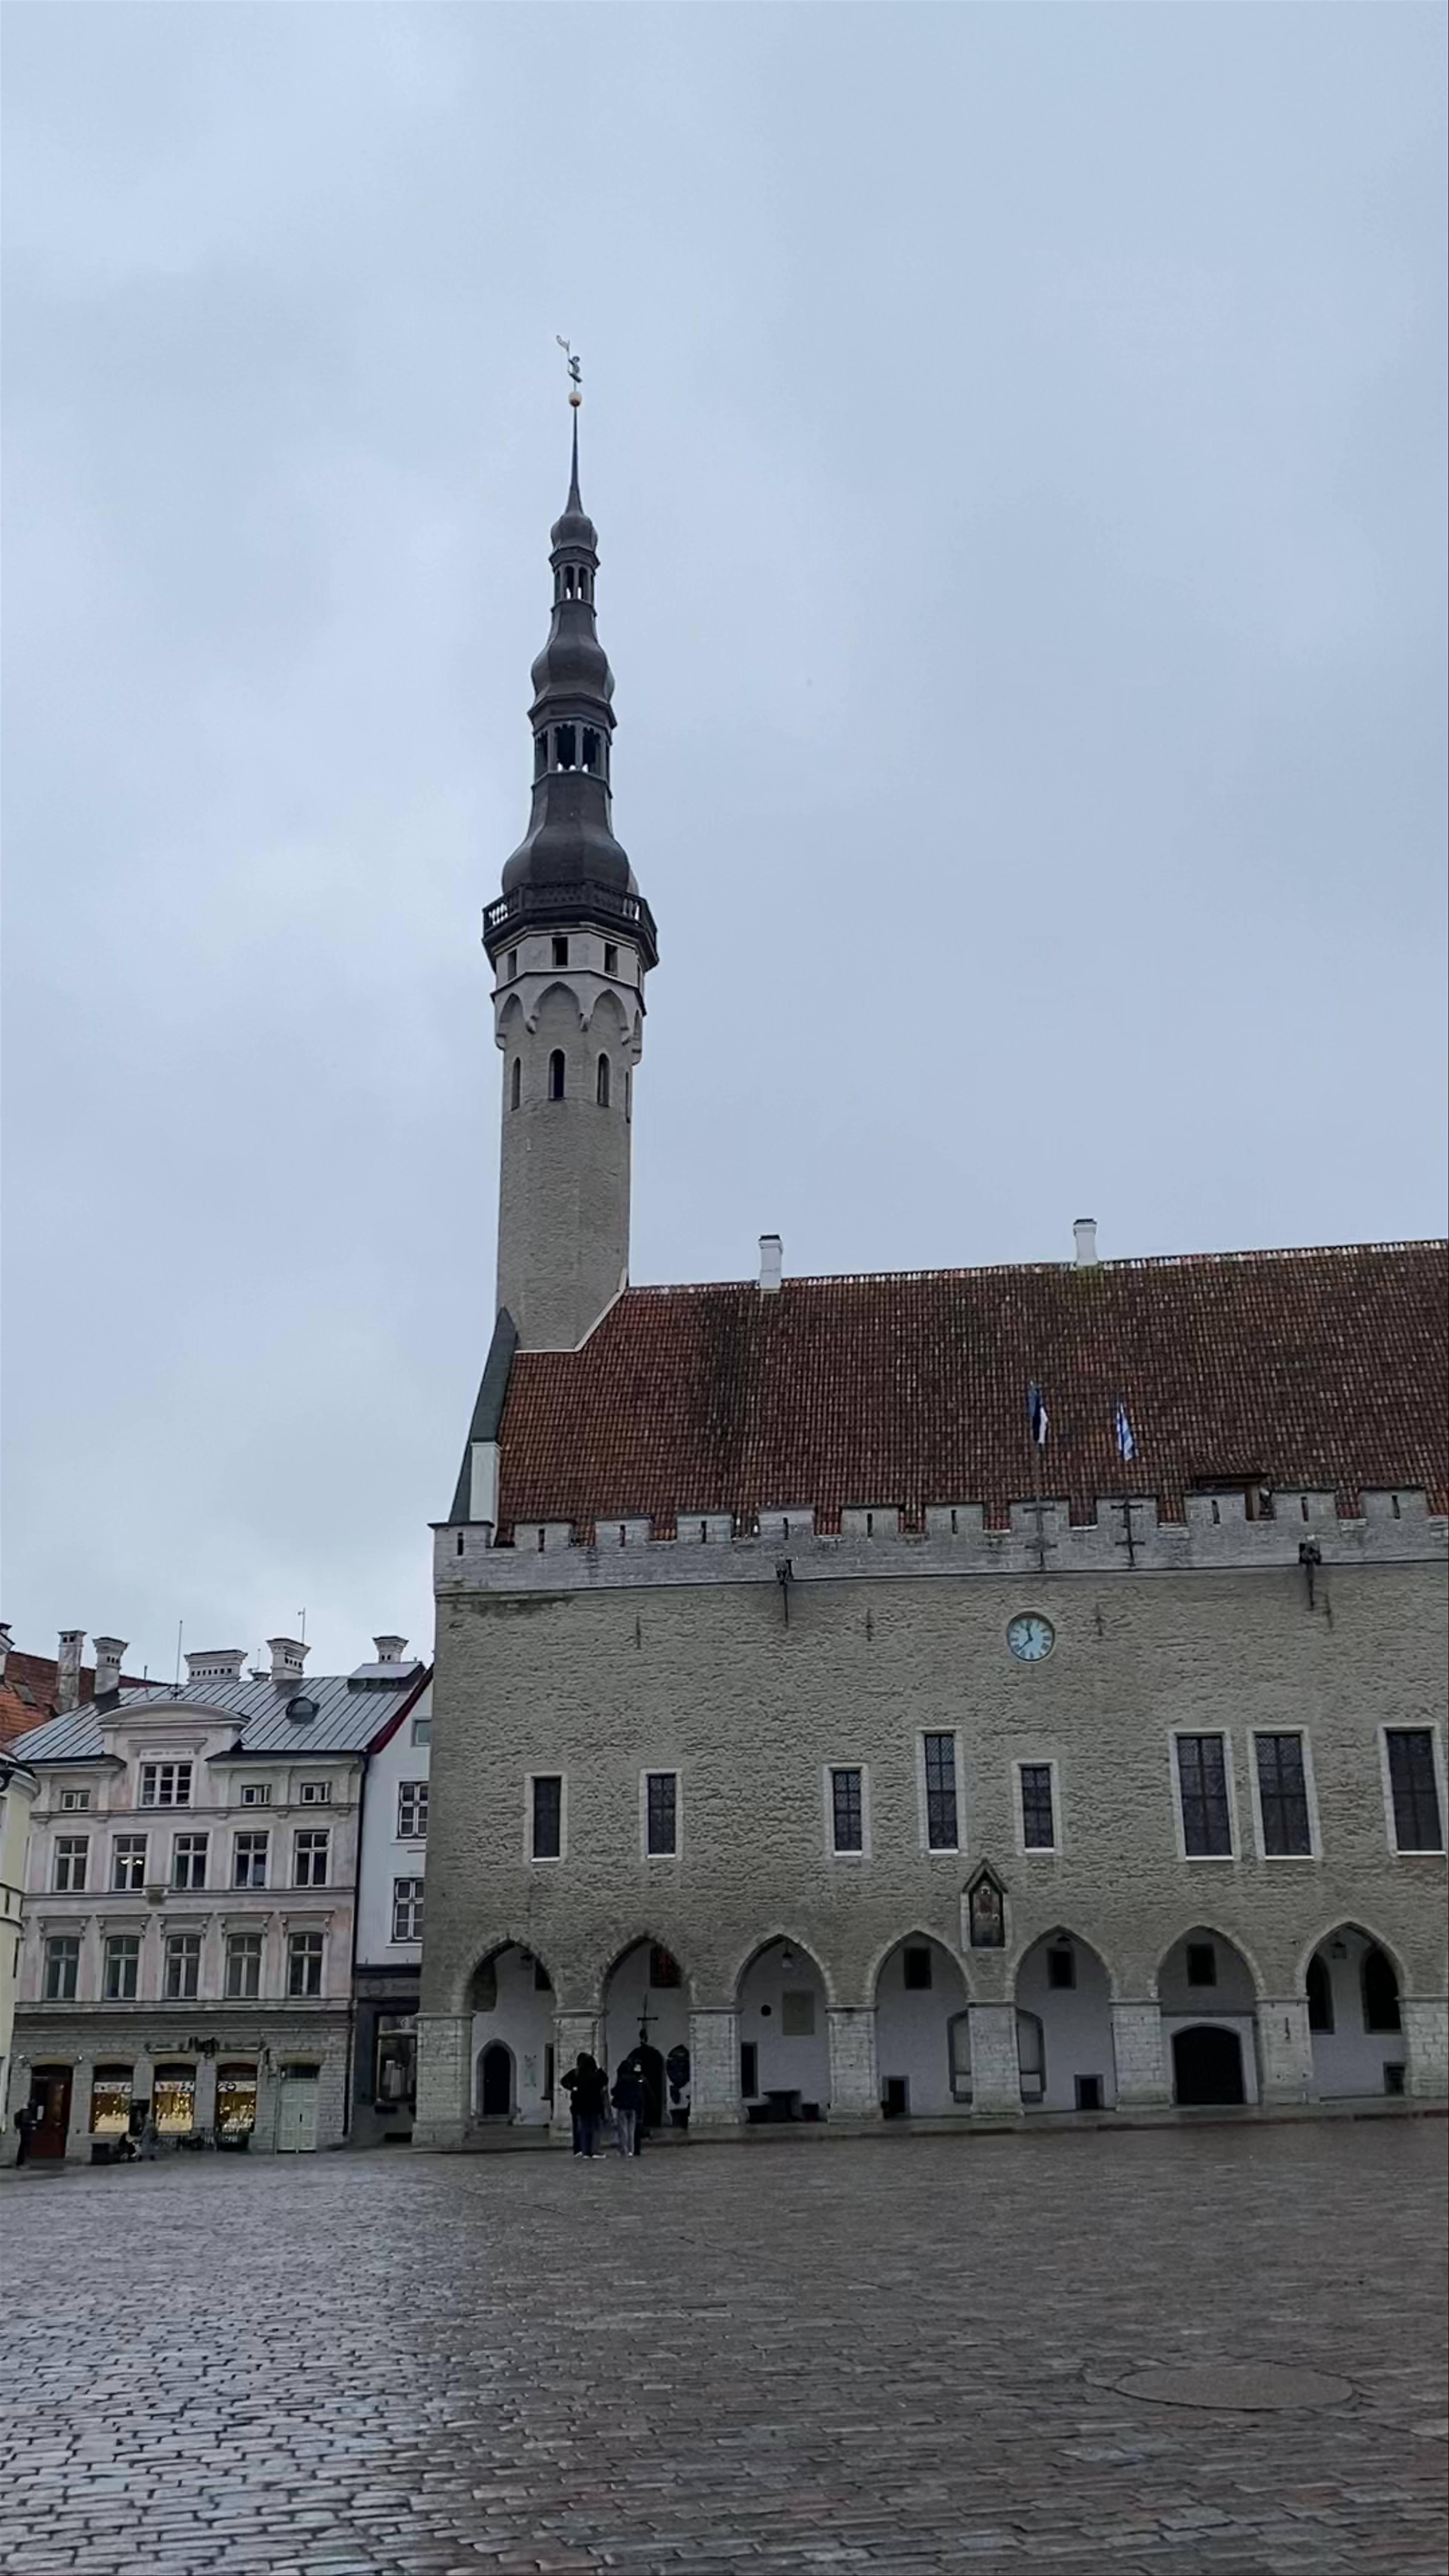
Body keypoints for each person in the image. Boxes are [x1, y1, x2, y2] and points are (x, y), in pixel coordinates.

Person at [568, 2053, 608, 2160]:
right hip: (595, 2107)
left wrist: (573, 2090)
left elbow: (573, 2088)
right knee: (596, 2129)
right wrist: (599, 2069)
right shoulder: (596, 2076)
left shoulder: (578, 2076)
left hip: (581, 2107)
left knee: (584, 2129)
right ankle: (595, 2151)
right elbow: (605, 2080)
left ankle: (585, 2152)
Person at [611, 2060, 645, 2159]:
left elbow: (615, 2091)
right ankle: (631, 2150)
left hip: (623, 2107)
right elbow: (639, 2094)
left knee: (623, 2130)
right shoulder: (634, 2079)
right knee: (631, 2130)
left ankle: (624, 2150)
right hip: (632, 2107)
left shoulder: (622, 2079)